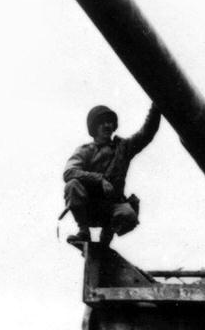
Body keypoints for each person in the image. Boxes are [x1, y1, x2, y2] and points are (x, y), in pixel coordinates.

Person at [62, 103, 161, 246]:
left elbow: (147, 133)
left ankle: (106, 238)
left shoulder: (123, 148)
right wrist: (99, 179)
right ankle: (84, 232)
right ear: (94, 127)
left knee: (128, 215)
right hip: (90, 206)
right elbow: (69, 172)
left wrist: (157, 106)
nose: (107, 125)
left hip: (112, 207)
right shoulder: (85, 151)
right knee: (72, 186)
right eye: (101, 122)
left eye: (109, 122)